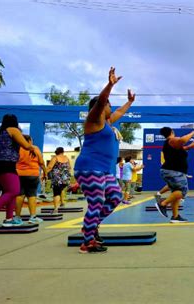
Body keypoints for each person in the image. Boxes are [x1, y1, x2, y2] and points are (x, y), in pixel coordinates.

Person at [74, 67, 136, 253]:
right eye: (109, 105)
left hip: (103, 170)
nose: (111, 108)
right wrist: (110, 84)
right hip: (89, 168)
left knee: (115, 196)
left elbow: (119, 113)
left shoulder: (107, 123)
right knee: (97, 202)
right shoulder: (94, 120)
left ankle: (89, 227)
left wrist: (129, 102)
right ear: (102, 106)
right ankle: (87, 243)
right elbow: (101, 102)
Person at [154, 128, 194, 223]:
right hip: (173, 171)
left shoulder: (173, 145)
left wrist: (193, 144)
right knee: (182, 192)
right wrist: (193, 132)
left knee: (176, 192)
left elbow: (185, 147)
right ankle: (163, 204)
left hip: (171, 171)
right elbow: (183, 140)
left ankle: (175, 216)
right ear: (171, 132)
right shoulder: (171, 140)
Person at [0, 114, 35, 226]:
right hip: (6, 164)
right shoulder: (13, 130)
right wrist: (32, 148)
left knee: (10, 192)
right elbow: (26, 146)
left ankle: (9, 219)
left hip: (0, 165)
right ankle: (9, 218)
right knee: (14, 191)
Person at [15, 135, 47, 224]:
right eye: (31, 140)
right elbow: (41, 162)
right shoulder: (35, 148)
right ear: (29, 141)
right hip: (33, 175)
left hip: (18, 174)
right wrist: (45, 173)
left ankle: (17, 217)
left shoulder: (17, 148)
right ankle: (33, 217)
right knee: (32, 195)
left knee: (19, 195)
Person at [47, 147, 71, 213]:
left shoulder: (55, 158)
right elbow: (69, 167)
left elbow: (49, 167)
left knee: (56, 192)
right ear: (63, 151)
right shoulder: (67, 158)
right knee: (62, 189)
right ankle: (62, 203)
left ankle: (56, 208)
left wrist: (44, 174)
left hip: (57, 178)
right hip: (65, 177)